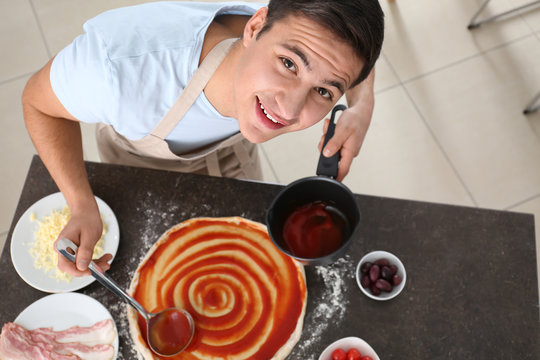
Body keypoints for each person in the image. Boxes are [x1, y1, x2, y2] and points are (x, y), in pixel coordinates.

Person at [22, 0, 384, 277]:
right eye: (288, 63)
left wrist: (361, 105)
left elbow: (345, 51)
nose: (288, 110)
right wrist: (82, 204)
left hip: (231, 152)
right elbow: (38, 103)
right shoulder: (116, 72)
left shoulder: (300, 38)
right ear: (255, 27)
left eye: (323, 90)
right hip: (143, 162)